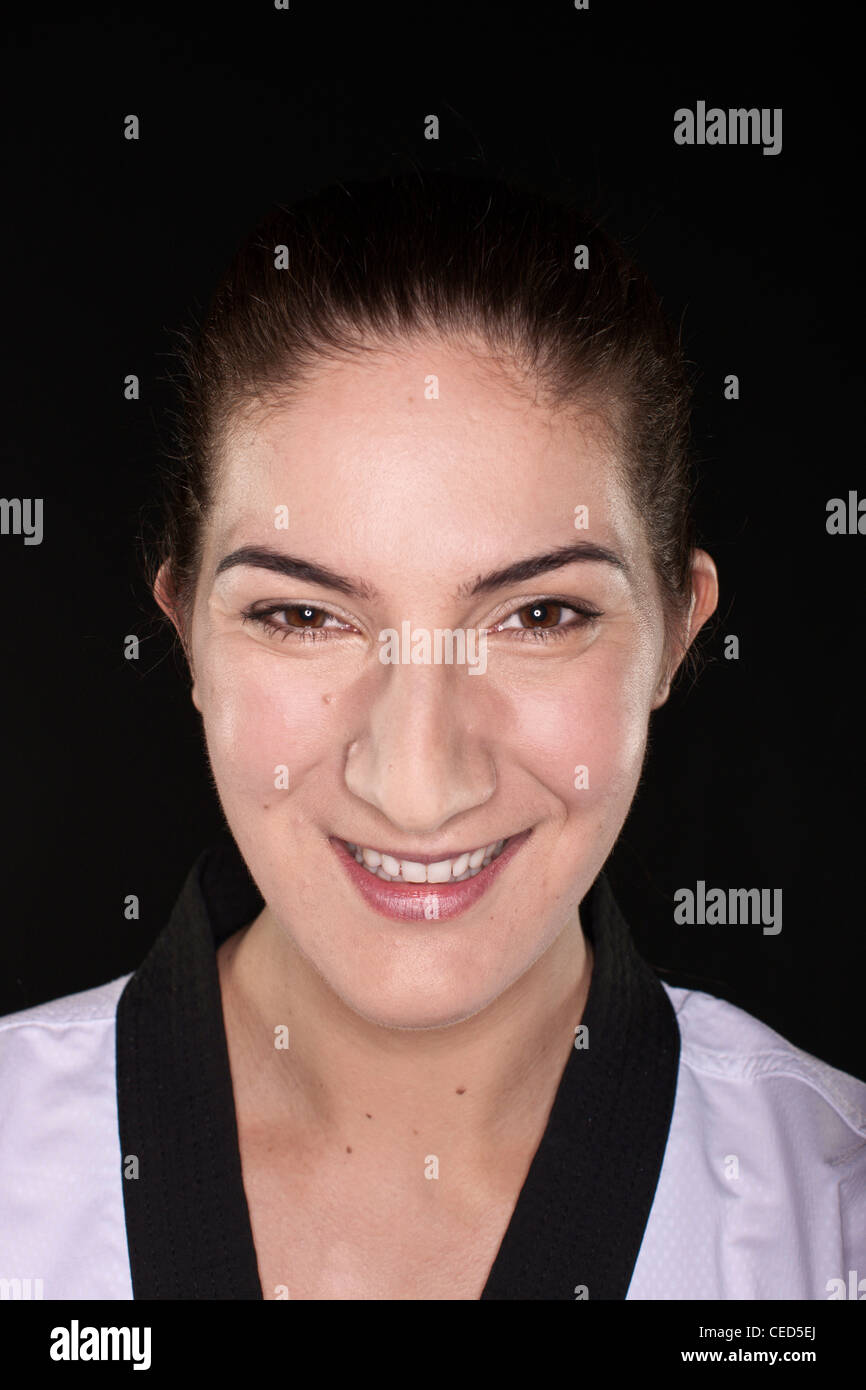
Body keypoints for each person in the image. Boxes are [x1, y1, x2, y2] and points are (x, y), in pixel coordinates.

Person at [1, 171, 863, 1301]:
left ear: (673, 636)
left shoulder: (830, 1223)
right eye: (302, 615)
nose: (417, 781)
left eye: (538, 616)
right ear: (187, 638)